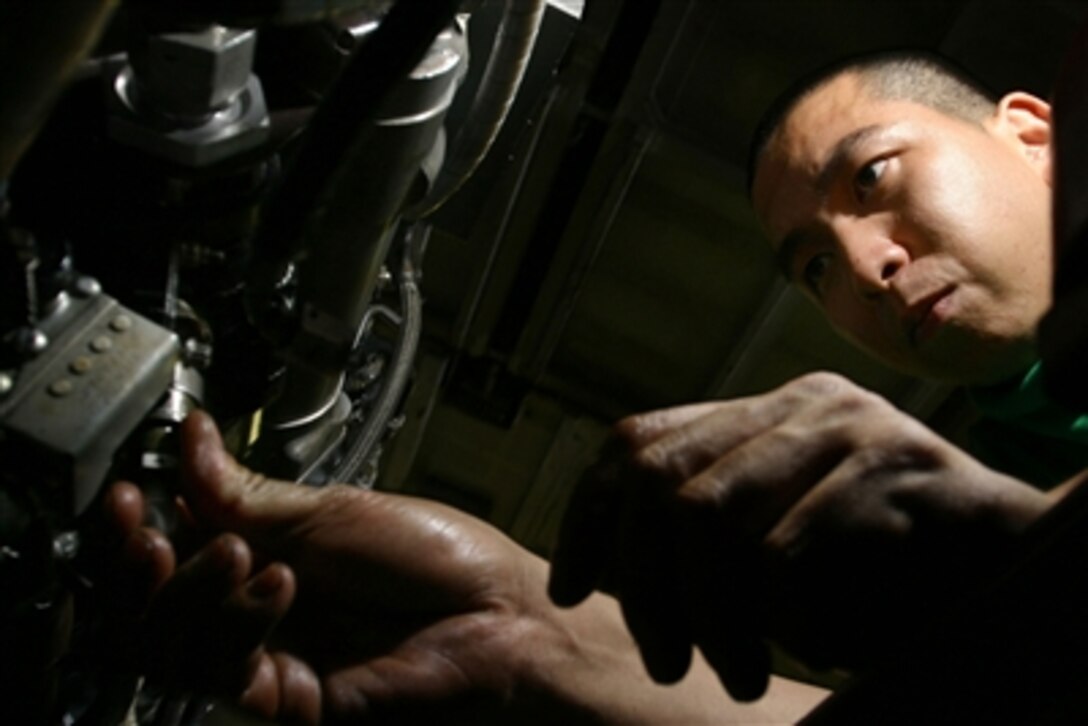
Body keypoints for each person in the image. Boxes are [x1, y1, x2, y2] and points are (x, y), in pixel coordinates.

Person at [110, 48, 1088, 723]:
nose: (865, 264)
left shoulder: (996, 510)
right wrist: (522, 635)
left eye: (870, 178)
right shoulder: (1015, 461)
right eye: (812, 269)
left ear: (1033, 133)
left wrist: (1010, 557)